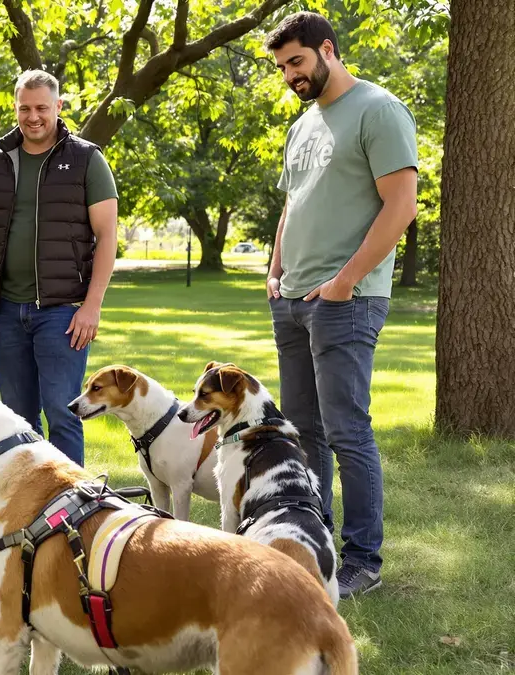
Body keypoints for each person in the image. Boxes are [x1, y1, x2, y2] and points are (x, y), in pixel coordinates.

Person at [264, 12, 418, 598]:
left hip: (344, 300)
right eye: (282, 67)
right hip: (293, 297)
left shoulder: (378, 110)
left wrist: (346, 280)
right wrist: (274, 270)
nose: (290, 75)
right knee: (305, 430)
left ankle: (363, 559)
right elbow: (292, 205)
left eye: (297, 62)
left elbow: (400, 204)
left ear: (328, 49)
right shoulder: (303, 124)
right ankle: (314, 541)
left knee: (347, 429)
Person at [0, 69, 119, 467]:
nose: (32, 116)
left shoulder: (87, 158)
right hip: (6, 312)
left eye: (41, 108)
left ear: (58, 107)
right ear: (15, 108)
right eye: (24, 108)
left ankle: (74, 511)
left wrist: (92, 306)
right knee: (17, 420)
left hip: (63, 312)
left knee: (64, 414)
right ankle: (28, 510)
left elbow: (107, 236)